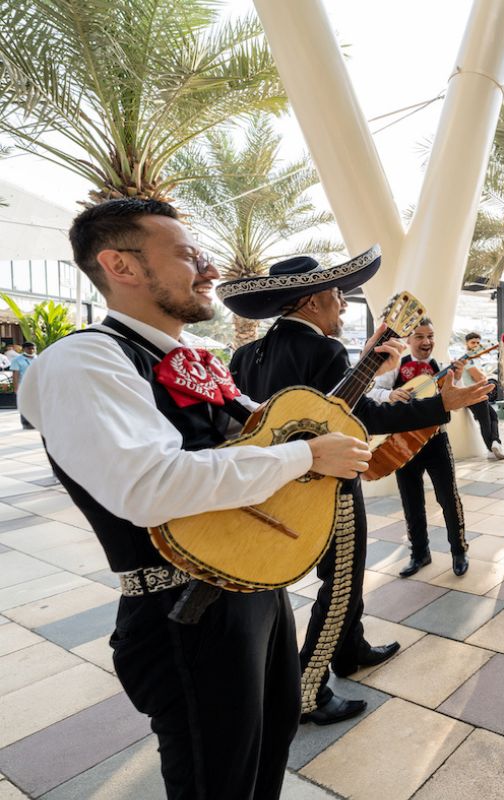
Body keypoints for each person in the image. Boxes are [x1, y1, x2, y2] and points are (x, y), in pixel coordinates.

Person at [18, 198, 374, 799]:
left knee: (263, 759)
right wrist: (305, 456)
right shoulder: (83, 360)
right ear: (120, 266)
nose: (209, 270)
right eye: (188, 256)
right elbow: (149, 486)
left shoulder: (192, 362)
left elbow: (242, 446)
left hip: (254, 593)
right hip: (184, 612)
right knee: (218, 781)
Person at [222, 252, 490, 727]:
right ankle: (308, 688)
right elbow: (359, 415)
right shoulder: (322, 351)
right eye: (334, 294)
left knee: (332, 578)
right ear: (309, 301)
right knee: (341, 582)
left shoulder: (247, 355)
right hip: (332, 487)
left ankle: (351, 649)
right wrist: (439, 403)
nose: (341, 304)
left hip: (276, 485)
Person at [367, 318, 470, 578]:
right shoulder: (395, 365)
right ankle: (419, 553)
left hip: (436, 439)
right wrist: (389, 395)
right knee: (411, 500)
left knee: (448, 496)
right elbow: (372, 391)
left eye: (430, 336)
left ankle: (459, 550)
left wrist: (455, 381)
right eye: (420, 336)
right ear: (409, 340)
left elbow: (452, 403)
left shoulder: (441, 366)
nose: (426, 342)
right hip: (402, 443)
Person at [461, 331, 504, 459]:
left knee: (493, 417)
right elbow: (479, 377)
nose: (476, 345)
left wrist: (483, 377)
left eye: (478, 343)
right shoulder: (467, 359)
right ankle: (492, 449)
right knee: (486, 421)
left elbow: (481, 377)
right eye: (473, 342)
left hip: (478, 393)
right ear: (467, 343)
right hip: (473, 394)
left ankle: (495, 443)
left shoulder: (475, 359)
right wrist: (484, 377)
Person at [9, 343, 37, 429]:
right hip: (23, 385)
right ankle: (26, 423)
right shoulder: (17, 360)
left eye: (33, 349)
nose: (31, 350)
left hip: (36, 385)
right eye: (29, 349)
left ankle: (35, 422)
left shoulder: (38, 358)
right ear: (24, 349)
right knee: (25, 404)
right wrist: (16, 388)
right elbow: (15, 374)